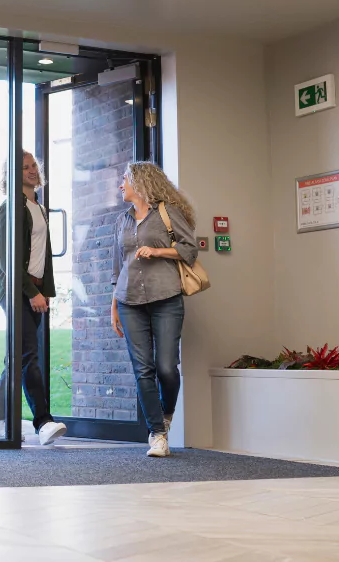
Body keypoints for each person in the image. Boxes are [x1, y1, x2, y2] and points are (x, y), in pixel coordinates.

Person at [110, 161, 198, 458]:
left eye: (124, 180)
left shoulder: (167, 213)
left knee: (166, 368)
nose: (121, 185)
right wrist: (113, 306)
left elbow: (189, 249)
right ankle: (157, 434)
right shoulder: (122, 220)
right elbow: (117, 268)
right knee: (143, 369)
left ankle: (166, 412)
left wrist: (158, 250)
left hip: (166, 298)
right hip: (128, 301)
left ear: (141, 182)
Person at [0, 151, 67, 446]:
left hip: (34, 290)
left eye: (34, 166)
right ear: (12, 174)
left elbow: (43, 258)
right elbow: (8, 260)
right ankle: (43, 422)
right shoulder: (10, 209)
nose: (32, 170)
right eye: (25, 167)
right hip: (14, 290)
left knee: (18, 356)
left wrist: (45, 292)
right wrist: (32, 293)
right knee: (29, 353)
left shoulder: (38, 208)